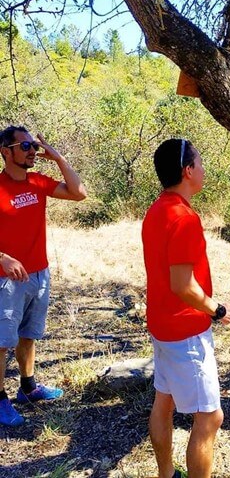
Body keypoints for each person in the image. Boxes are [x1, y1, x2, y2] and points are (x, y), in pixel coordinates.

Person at [142, 138, 230, 478]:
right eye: (200, 162)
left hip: (162, 326)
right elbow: (183, 286)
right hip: (185, 334)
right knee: (210, 418)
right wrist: (218, 309)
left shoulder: (157, 209)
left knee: (164, 402)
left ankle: (166, 474)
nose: (203, 168)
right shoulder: (183, 217)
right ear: (187, 170)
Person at [0, 125, 87, 427]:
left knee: (29, 333)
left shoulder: (38, 182)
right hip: (5, 280)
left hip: (39, 273)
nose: (32, 151)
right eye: (25, 146)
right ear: (6, 151)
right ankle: (0, 400)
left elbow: (79, 193)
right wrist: (2, 257)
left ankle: (28, 387)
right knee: (2, 342)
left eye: (34, 146)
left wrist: (58, 157)